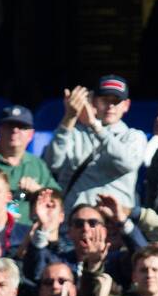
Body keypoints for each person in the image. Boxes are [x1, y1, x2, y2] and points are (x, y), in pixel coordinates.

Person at [45, 75, 147, 210]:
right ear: (93, 101)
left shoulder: (134, 136)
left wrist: (95, 126)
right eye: (105, 100)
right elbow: (53, 163)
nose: (110, 106)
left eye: (116, 101)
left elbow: (127, 162)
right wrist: (69, 117)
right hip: (75, 223)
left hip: (114, 225)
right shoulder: (74, 132)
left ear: (126, 105)